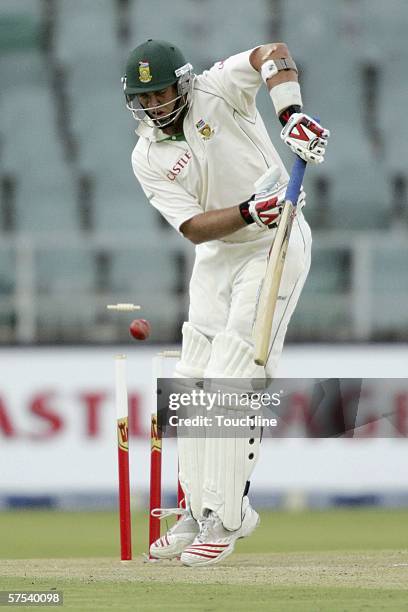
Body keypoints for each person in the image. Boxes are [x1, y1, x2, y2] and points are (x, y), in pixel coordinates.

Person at [122, 39, 329, 567]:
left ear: (184, 82)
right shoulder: (147, 154)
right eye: (143, 98)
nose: (153, 106)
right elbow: (192, 227)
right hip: (218, 253)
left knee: (233, 377)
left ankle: (231, 516)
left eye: (161, 92)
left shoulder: (219, 87)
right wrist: (247, 209)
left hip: (275, 243)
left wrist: (293, 114)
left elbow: (273, 53)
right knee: (192, 381)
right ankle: (196, 509)